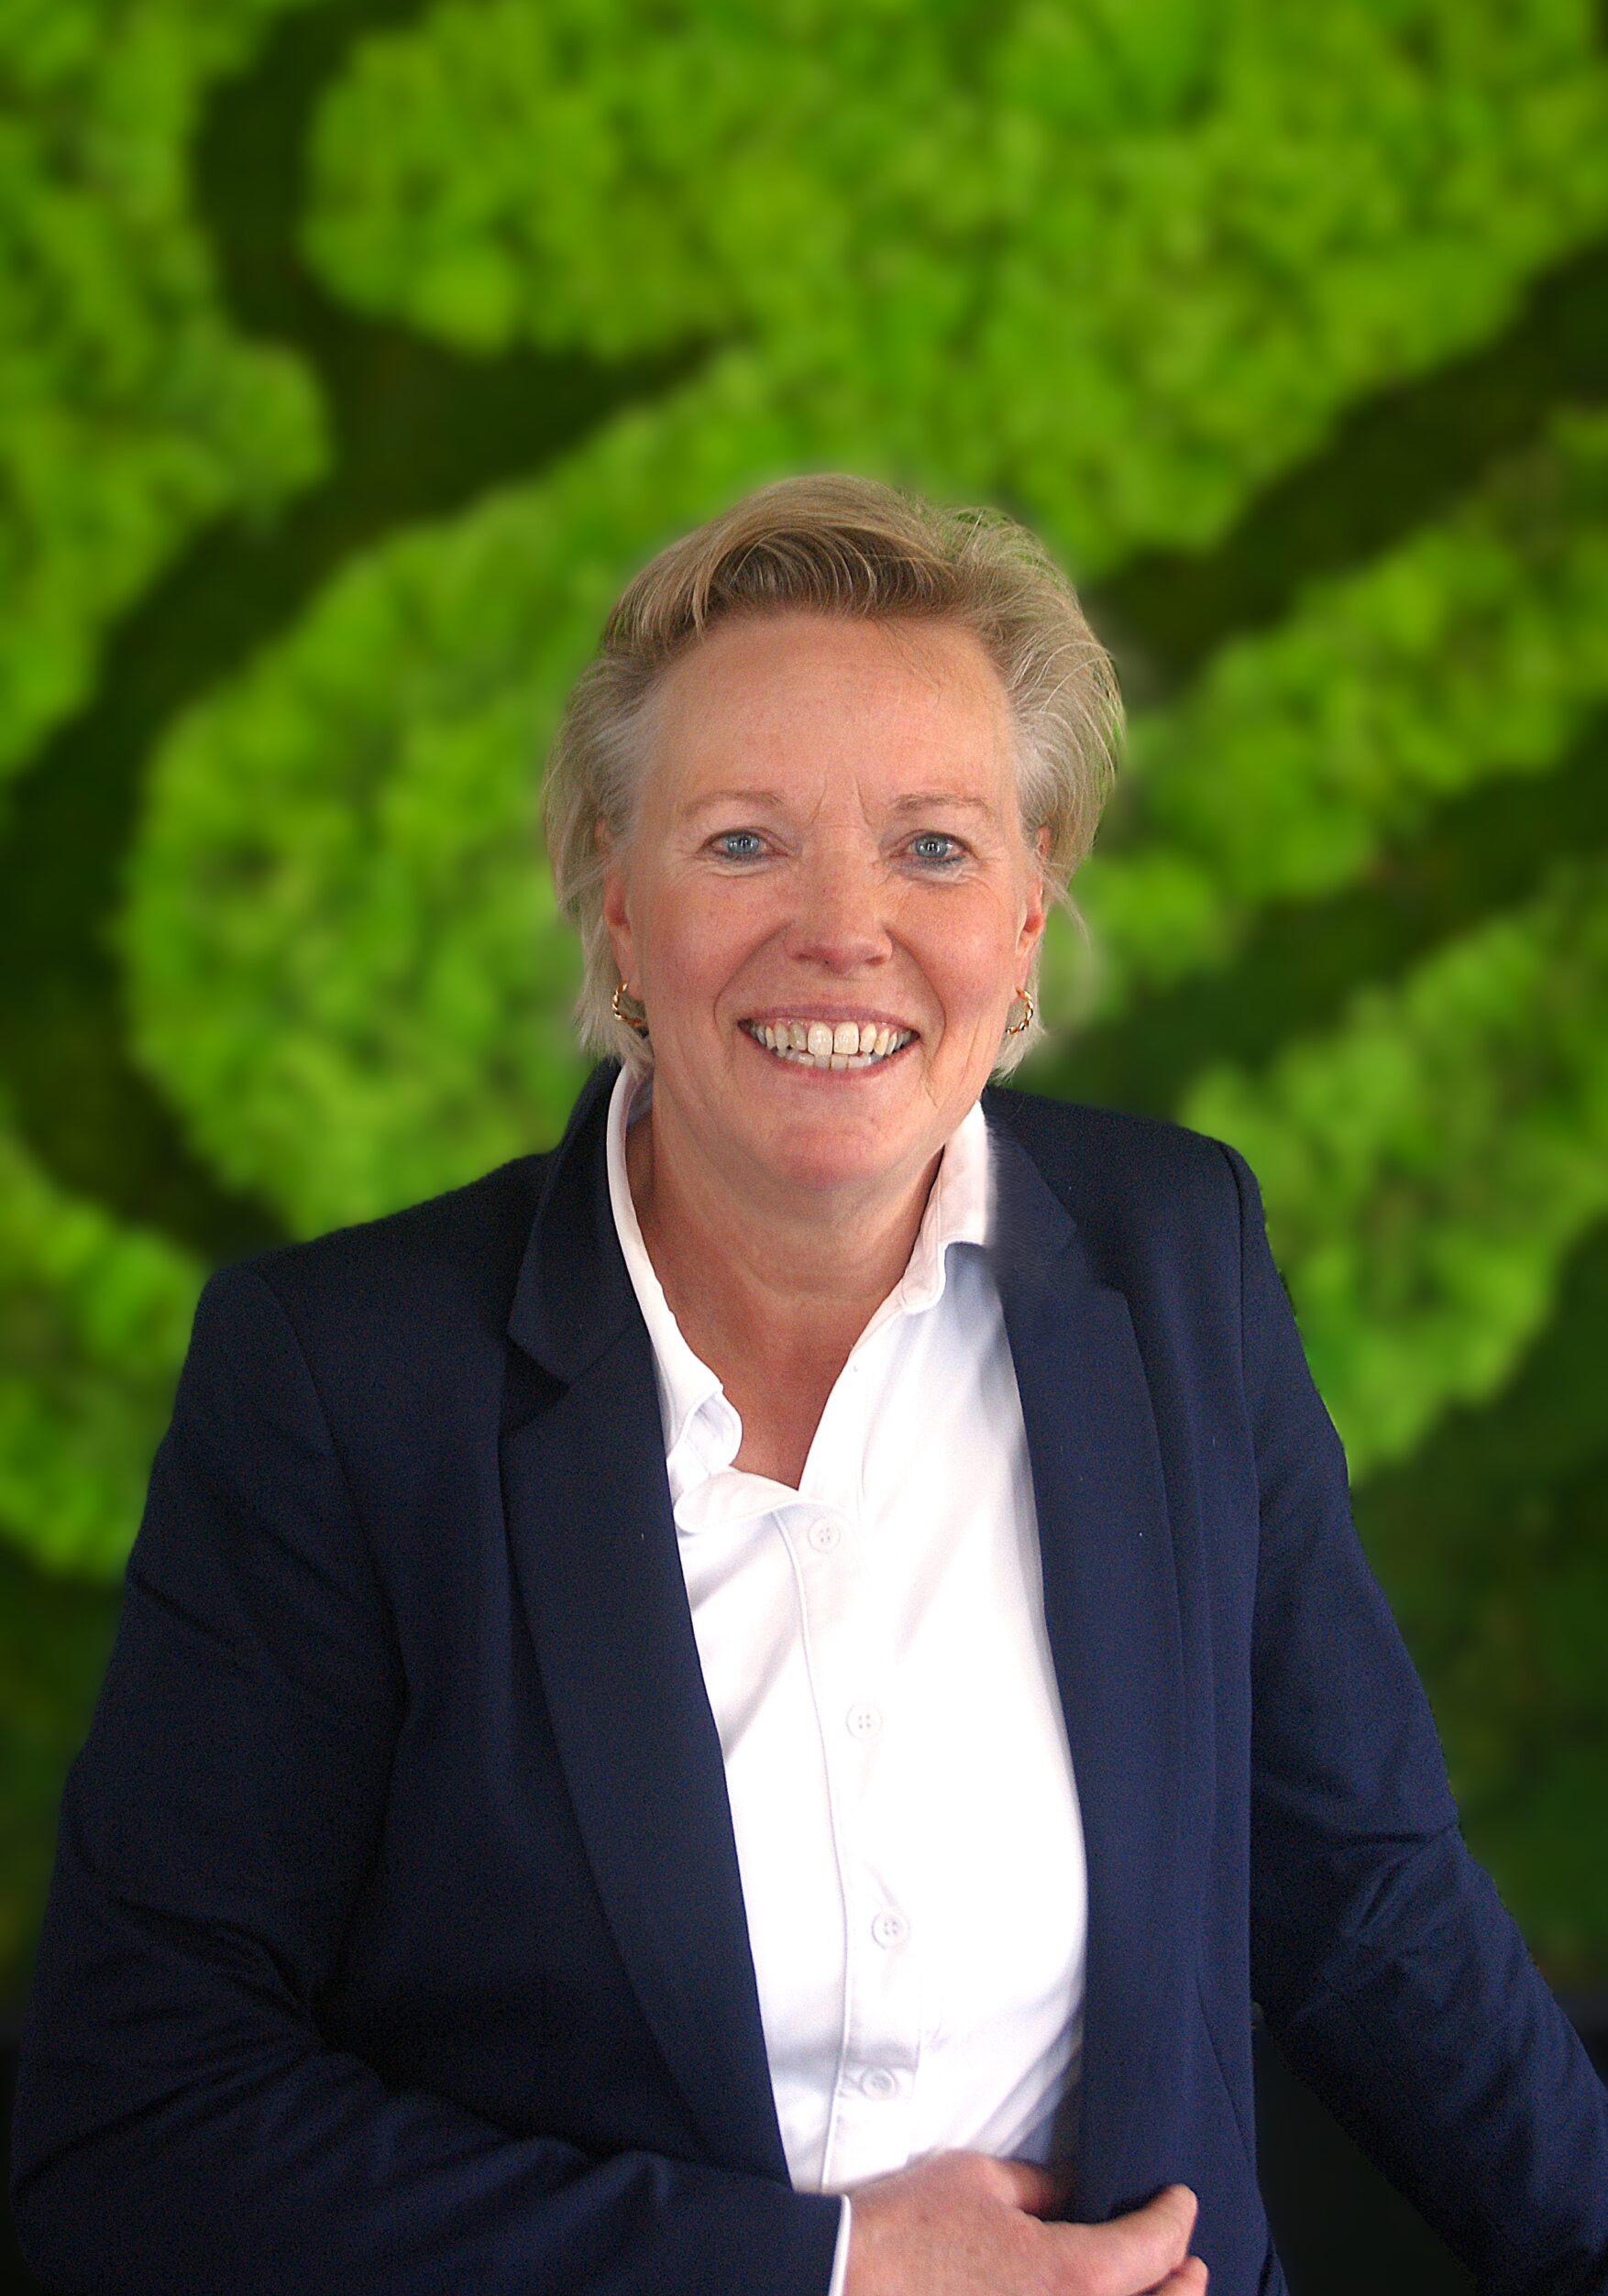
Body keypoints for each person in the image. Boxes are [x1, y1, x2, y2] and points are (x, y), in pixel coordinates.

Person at [10, 476, 1608, 2296]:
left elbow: (1367, 1902)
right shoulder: (344, 1383)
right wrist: (828, 2266)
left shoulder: (1180, 1263)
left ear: (1028, 909)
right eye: (744, 841)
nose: (843, 928)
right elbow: (136, 2131)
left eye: (932, 846)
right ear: (619, 905)